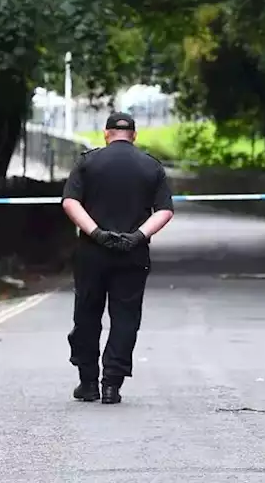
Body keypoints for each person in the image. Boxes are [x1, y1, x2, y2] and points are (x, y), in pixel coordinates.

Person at [61, 111, 175, 404]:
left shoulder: (87, 162)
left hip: (92, 252)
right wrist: (138, 236)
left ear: (106, 133)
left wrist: (96, 232)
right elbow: (164, 211)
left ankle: (88, 383)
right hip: (133, 254)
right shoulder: (151, 167)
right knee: (125, 317)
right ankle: (112, 384)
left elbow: (70, 202)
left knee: (87, 314)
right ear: (134, 135)